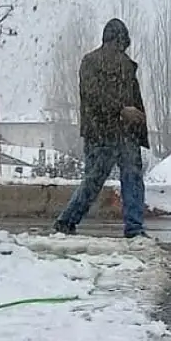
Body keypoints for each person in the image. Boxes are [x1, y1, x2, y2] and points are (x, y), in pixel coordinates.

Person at [54, 19, 150, 239]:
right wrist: (122, 111)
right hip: (102, 133)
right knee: (96, 180)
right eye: (119, 43)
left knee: (129, 179)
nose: (121, 48)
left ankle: (134, 228)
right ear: (111, 41)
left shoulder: (126, 65)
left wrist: (138, 122)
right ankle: (66, 220)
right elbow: (93, 95)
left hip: (122, 133)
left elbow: (134, 99)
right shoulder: (91, 62)